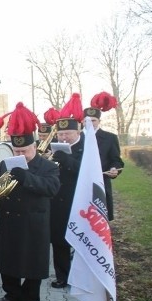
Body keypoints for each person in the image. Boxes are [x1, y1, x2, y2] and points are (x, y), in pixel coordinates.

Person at [0, 103, 61, 301]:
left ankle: (30, 299)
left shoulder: (48, 167)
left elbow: (51, 189)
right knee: (8, 259)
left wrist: (26, 177)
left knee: (32, 262)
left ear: (35, 146)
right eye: (17, 151)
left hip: (33, 222)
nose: (21, 154)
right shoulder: (7, 163)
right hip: (9, 219)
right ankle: (11, 293)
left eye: (25, 150)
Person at [49, 94, 85, 288]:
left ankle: (80, 276)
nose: (63, 138)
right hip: (57, 199)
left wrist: (65, 159)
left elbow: (86, 171)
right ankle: (62, 276)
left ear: (77, 131)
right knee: (59, 240)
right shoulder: (56, 147)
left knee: (78, 240)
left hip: (78, 200)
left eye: (67, 134)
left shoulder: (87, 146)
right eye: (60, 135)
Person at [84, 92, 124, 221]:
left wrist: (114, 169)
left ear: (99, 121)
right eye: (87, 121)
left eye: (94, 120)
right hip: (80, 184)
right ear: (82, 121)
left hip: (101, 183)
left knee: (99, 218)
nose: (90, 123)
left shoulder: (110, 138)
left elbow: (116, 160)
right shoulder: (76, 137)